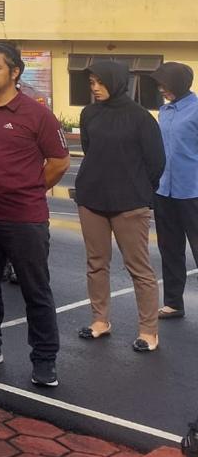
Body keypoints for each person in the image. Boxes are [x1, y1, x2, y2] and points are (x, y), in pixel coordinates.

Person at [0, 42, 69, 387]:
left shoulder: (38, 115)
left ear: (15, 72)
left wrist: (29, 190)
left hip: (24, 218)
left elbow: (59, 162)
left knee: (36, 291)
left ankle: (45, 359)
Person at [75, 60, 165, 352]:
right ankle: (100, 321)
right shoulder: (89, 114)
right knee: (96, 264)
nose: (95, 88)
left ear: (116, 82)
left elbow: (156, 162)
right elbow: (90, 150)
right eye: (92, 83)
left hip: (130, 204)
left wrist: (139, 190)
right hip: (92, 199)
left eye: (100, 82)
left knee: (139, 268)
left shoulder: (140, 118)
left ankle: (148, 331)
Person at [154, 62, 198, 322]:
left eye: (166, 84)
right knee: (170, 249)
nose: (161, 89)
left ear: (180, 83)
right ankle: (173, 303)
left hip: (192, 191)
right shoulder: (164, 111)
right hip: (164, 191)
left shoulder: (196, 110)